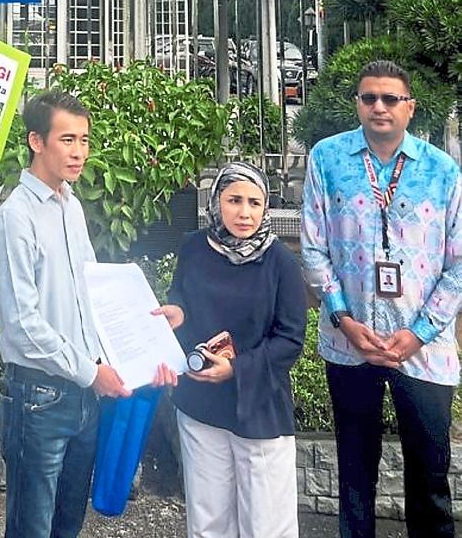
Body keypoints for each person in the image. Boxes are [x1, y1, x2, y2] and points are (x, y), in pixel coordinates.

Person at [301, 58, 462, 538]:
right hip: (351, 344)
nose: (379, 107)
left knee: (430, 475)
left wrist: (418, 334)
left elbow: (458, 264)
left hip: (424, 352)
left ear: (409, 108)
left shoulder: (442, 170)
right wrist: (344, 319)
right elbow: (312, 248)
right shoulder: (326, 159)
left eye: (391, 98)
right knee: (353, 472)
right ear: (358, 104)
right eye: (369, 97)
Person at [0, 89, 129, 538]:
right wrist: (91, 373)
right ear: (36, 141)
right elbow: (22, 326)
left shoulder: (72, 206)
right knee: (32, 528)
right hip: (39, 399)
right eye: (67, 139)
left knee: (67, 526)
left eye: (84, 140)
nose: (79, 152)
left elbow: (88, 292)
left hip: (84, 397)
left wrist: (140, 324)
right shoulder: (16, 218)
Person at [153, 161, 306, 538]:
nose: (244, 212)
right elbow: (181, 298)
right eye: (234, 200)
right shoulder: (194, 248)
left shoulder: (281, 263)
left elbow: (290, 339)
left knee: (266, 525)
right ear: (216, 200)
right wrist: (177, 312)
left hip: (259, 406)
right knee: (208, 522)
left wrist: (236, 369)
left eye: (254, 202)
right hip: (201, 402)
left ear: (266, 207)